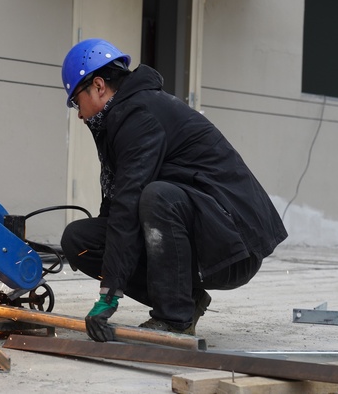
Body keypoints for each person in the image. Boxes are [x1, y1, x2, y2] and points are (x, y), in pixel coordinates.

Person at [59, 38, 288, 342]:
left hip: (234, 244)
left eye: (77, 102)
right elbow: (117, 207)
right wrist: (110, 276)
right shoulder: (120, 116)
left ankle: (174, 319)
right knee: (80, 240)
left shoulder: (139, 114)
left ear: (98, 86)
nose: (79, 114)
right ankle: (186, 299)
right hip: (202, 228)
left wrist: (108, 295)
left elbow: (129, 202)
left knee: (157, 197)